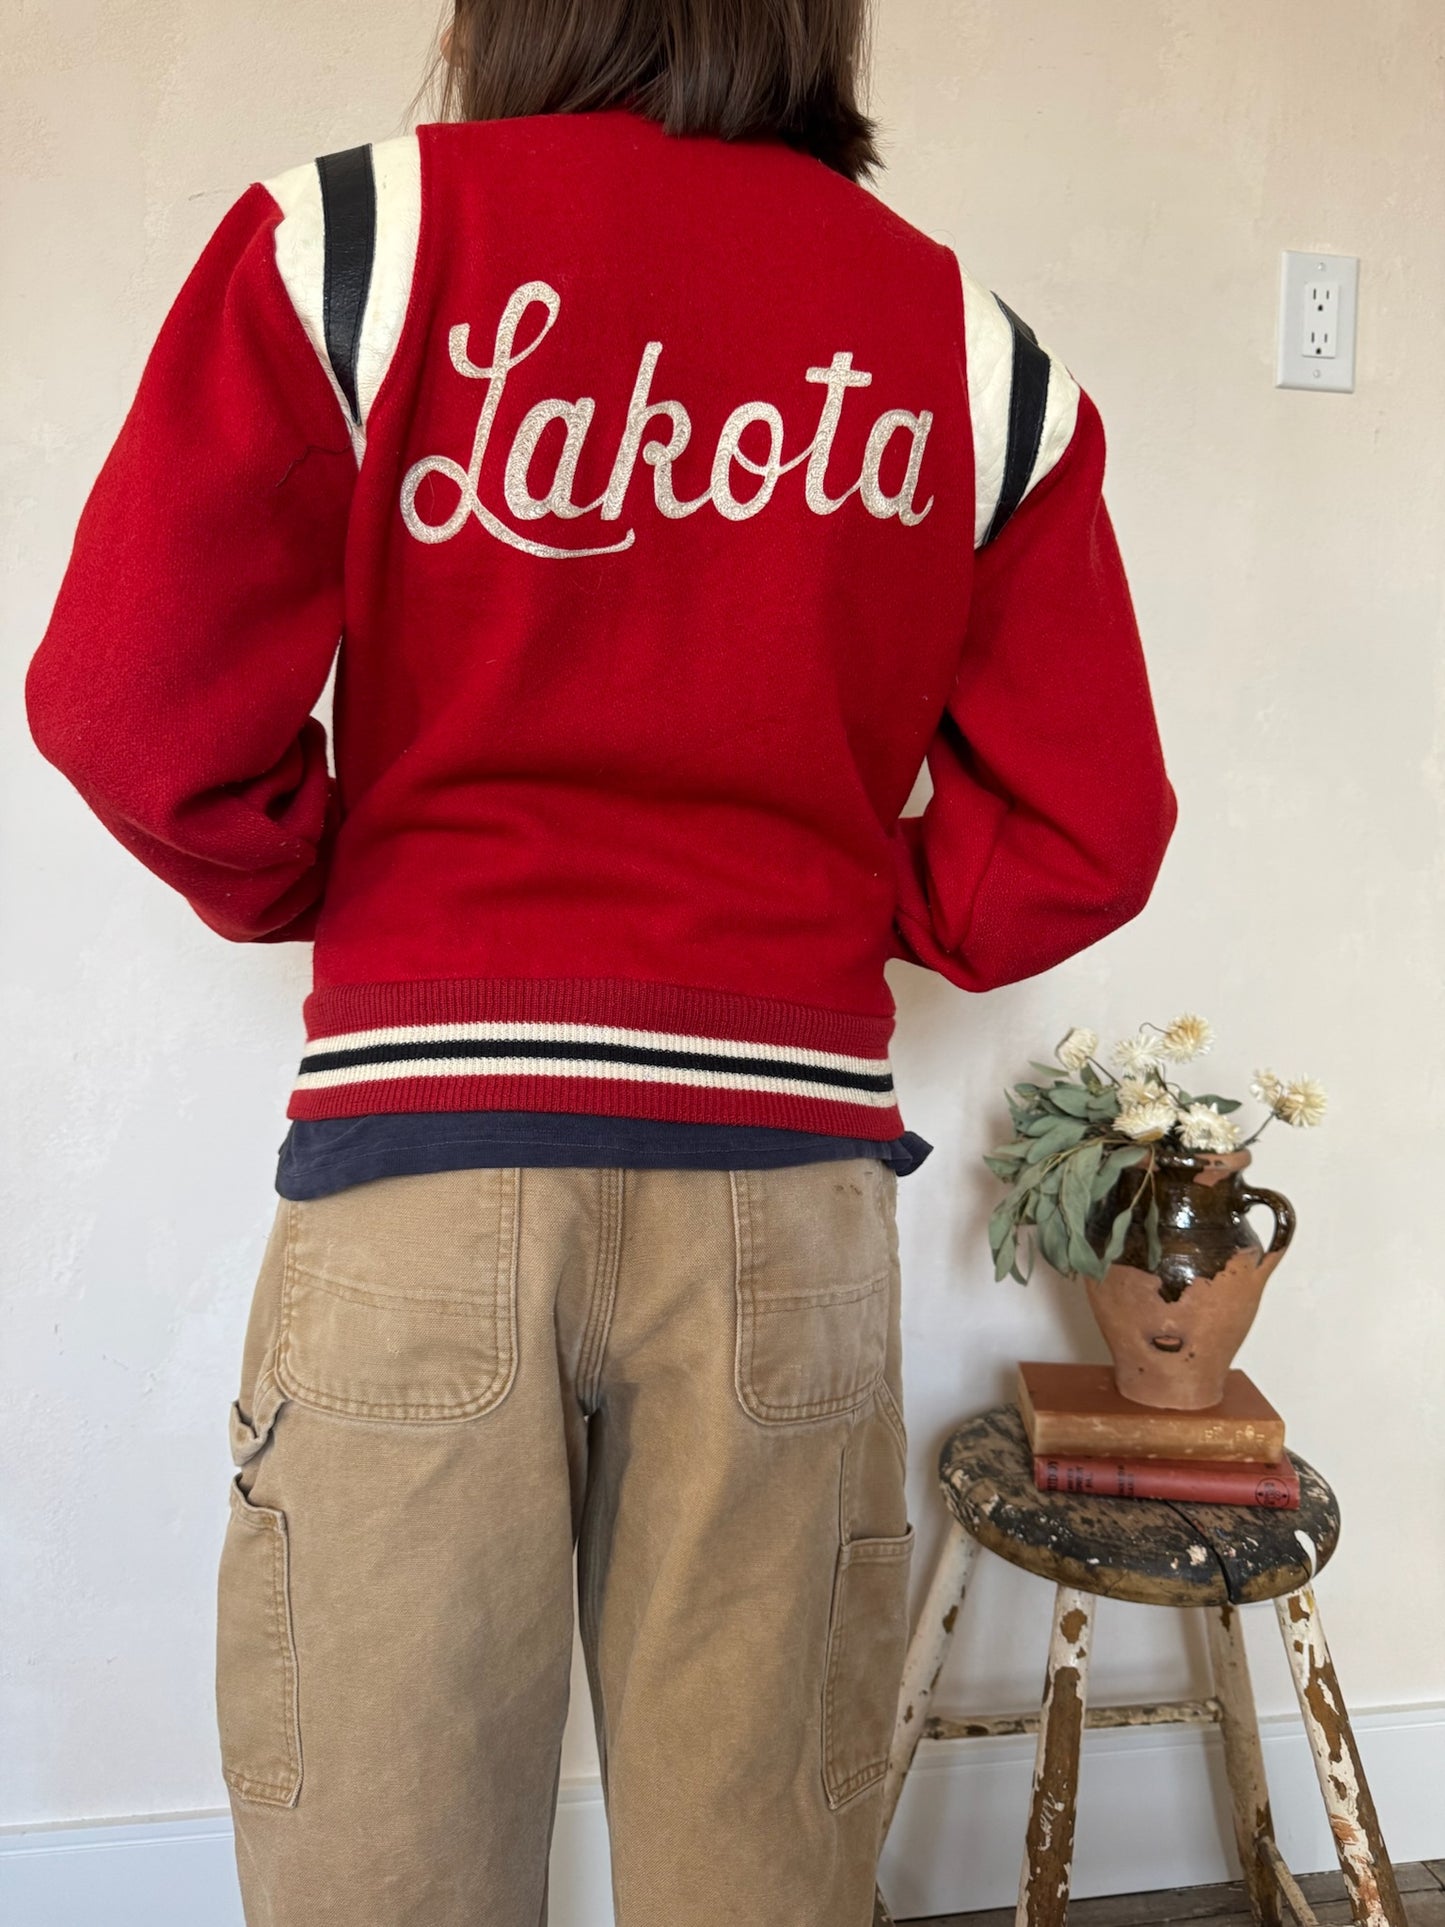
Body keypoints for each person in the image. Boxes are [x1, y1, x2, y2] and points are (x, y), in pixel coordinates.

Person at [24, 2, 1177, 1922]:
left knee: (382, 1861)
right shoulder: (972, 355)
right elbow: (1085, 826)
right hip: (782, 1192)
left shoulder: (354, 244)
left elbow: (131, 705)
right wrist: (834, 902)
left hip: (427, 1160)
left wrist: (335, 874)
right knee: (758, 1858)